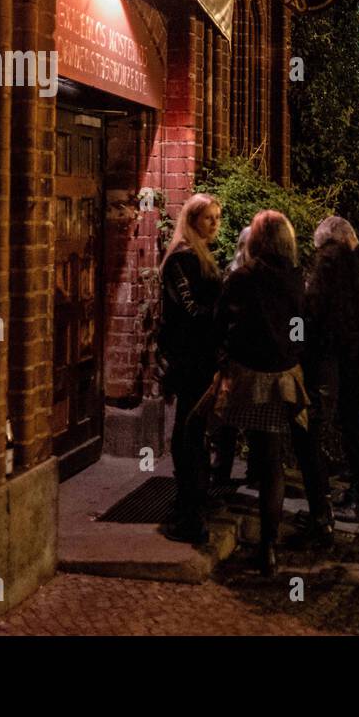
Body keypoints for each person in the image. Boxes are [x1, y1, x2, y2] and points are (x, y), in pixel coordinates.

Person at [211, 210, 315, 576]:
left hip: (249, 375)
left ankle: (209, 502)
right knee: (272, 462)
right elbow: (301, 324)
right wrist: (292, 353)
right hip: (281, 375)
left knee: (226, 437)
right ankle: (268, 545)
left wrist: (227, 355)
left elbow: (222, 321)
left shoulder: (243, 277)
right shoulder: (295, 278)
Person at [304, 216, 359, 519]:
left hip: (354, 359)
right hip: (354, 357)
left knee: (352, 425)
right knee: (349, 423)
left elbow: (353, 320)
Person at [158, 194, 223, 544]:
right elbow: (188, 309)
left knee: (190, 435)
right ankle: (189, 508)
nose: (215, 224)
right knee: (186, 435)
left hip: (200, 359)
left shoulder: (203, 257)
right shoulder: (181, 260)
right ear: (192, 220)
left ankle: (192, 510)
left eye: (217, 217)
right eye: (208, 218)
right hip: (189, 360)